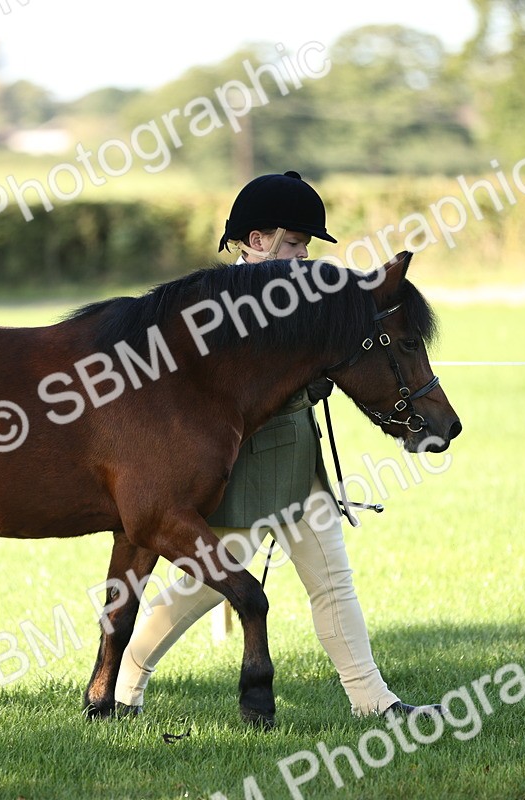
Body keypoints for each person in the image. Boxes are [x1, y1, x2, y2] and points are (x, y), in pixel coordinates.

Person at [113, 170, 438, 718]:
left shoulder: (305, 296)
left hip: (299, 461)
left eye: (306, 245)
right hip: (241, 472)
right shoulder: (217, 306)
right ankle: (123, 684)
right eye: (294, 243)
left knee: (333, 583)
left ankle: (373, 701)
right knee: (201, 589)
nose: (303, 254)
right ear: (256, 240)